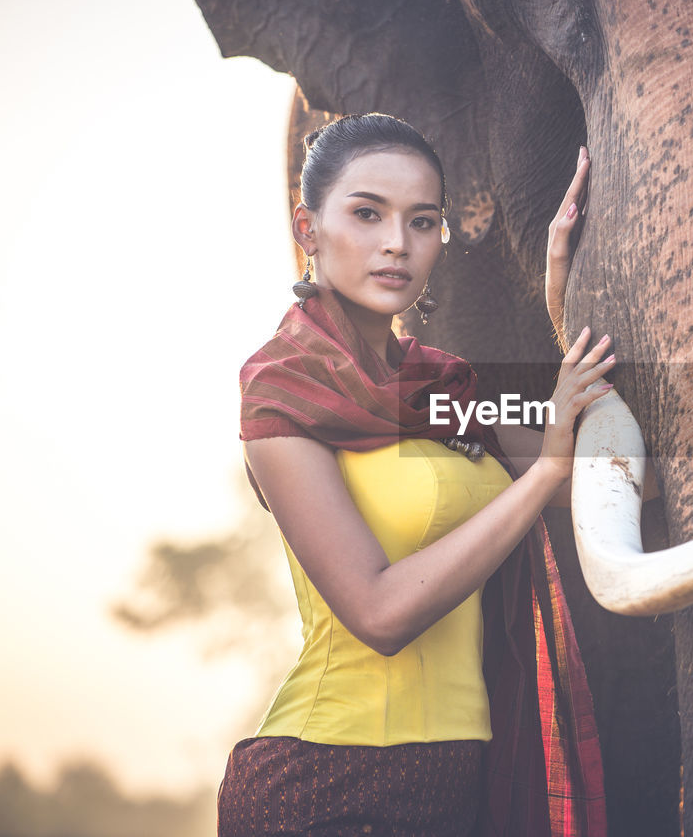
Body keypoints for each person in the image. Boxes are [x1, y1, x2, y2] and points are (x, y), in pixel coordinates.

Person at [215, 112, 618, 837]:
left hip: (457, 798)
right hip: (322, 789)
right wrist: (543, 470)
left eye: (422, 220)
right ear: (309, 230)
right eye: (367, 213)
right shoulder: (280, 392)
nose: (397, 242)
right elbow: (379, 613)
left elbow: (605, 478)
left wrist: (568, 299)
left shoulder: (449, 389)